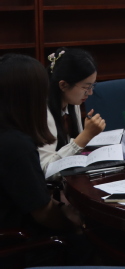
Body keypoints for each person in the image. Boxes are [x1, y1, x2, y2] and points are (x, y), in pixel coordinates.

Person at [0, 53, 92, 265]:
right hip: (18, 244)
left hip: (12, 225)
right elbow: (42, 213)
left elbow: (29, 195)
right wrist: (74, 224)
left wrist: (59, 208)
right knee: (94, 240)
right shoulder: (15, 145)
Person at [39, 48, 106, 173]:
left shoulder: (72, 102)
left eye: (92, 86)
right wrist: (85, 136)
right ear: (63, 85)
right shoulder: (42, 113)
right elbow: (46, 170)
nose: (90, 92)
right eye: (86, 87)